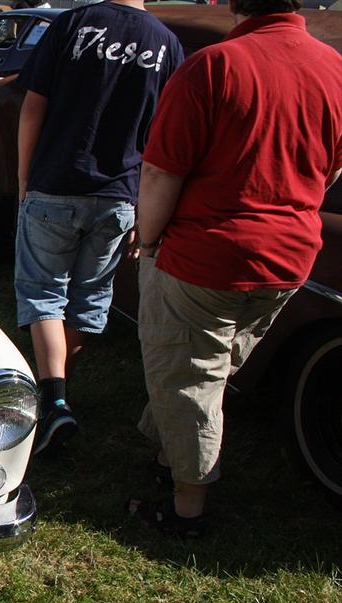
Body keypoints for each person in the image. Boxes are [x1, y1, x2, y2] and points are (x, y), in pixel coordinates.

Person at [129, 0, 342, 536]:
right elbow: (332, 164)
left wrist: (148, 241)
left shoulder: (215, 64)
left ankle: (186, 510)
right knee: (211, 367)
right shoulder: (334, 68)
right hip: (289, 258)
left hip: (208, 255)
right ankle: (168, 455)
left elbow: (158, 172)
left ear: (233, 2)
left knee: (190, 377)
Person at [13, 0, 182, 455]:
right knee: (87, 300)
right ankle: (59, 396)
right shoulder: (166, 44)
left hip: (56, 181)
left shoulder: (73, 23)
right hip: (122, 194)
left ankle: (54, 398)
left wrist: (25, 177)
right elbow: (167, 138)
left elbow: (32, 107)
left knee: (44, 293)